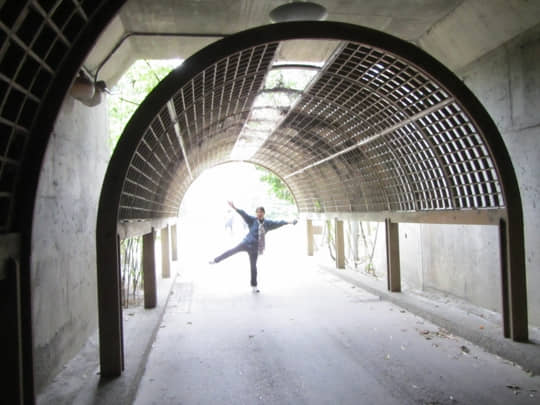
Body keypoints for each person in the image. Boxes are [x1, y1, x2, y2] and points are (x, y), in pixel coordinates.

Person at [209, 201, 298, 293]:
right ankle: (215, 260)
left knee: (253, 267)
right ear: (256, 213)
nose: (259, 214)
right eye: (258, 212)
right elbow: (244, 214)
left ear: (264, 213)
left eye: (261, 212)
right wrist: (234, 207)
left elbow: (279, 222)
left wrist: (290, 222)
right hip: (246, 243)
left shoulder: (268, 223)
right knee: (232, 251)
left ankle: (254, 286)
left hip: (255, 249)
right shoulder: (252, 220)